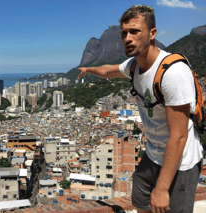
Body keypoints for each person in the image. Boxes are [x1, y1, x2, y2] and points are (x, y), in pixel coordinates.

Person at [78, 5, 203, 213]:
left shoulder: (172, 73)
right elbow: (109, 70)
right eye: (124, 33)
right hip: (153, 153)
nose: (127, 38)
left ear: (152, 33)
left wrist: (162, 188)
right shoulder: (134, 66)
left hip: (181, 160)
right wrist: (89, 69)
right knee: (140, 200)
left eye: (135, 31)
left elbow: (179, 136)